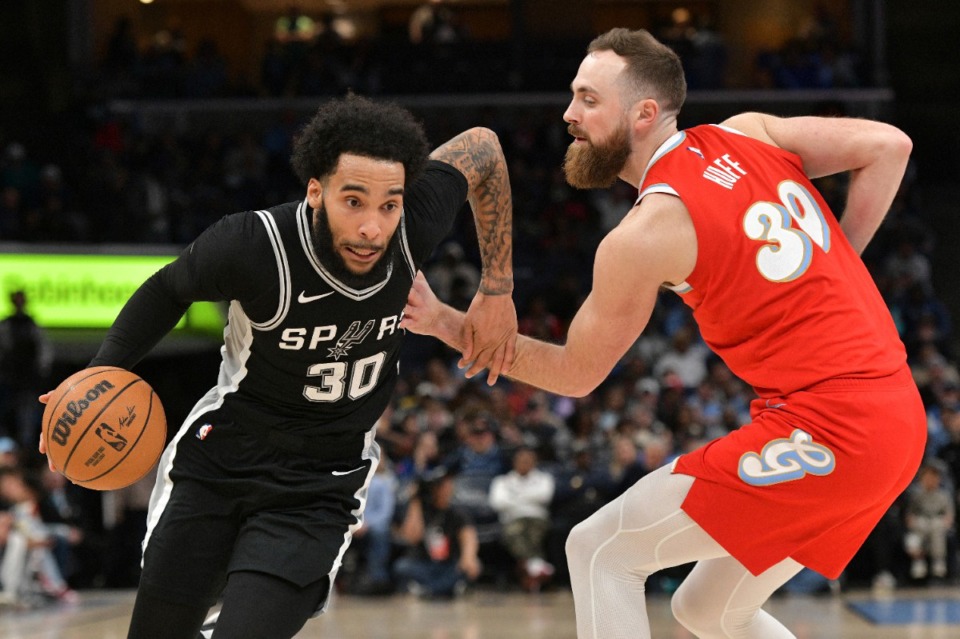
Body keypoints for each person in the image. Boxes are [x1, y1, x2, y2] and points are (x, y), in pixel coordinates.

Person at [401, 27, 924, 639]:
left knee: (600, 551)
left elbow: (576, 373)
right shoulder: (746, 131)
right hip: (894, 420)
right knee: (705, 608)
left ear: (644, 113)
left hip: (836, 429)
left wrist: (444, 323)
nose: (569, 115)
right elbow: (889, 145)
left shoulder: (646, 233)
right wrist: (839, 260)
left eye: (589, 100)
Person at [38, 94, 516, 639]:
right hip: (221, 458)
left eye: (389, 205)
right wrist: (96, 376)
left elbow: (482, 146)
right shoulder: (253, 245)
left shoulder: (412, 228)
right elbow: (167, 289)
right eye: (353, 201)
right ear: (316, 192)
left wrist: (497, 287)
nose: (372, 227)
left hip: (320, 481)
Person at [394, 465, 480, 598]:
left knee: (466, 570)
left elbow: (468, 536)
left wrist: (469, 557)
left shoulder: (458, 512)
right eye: (440, 486)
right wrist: (415, 500)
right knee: (402, 567)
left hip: (449, 564)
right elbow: (412, 537)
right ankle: (445, 589)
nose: (445, 489)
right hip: (425, 563)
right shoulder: (421, 509)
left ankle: (427, 590)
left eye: (447, 485)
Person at [0, 290, 53, 449]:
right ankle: (7, 441)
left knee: (27, 412)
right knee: (6, 410)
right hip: (7, 376)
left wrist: (41, 370)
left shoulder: (31, 324)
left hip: (28, 377)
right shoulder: (6, 324)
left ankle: (26, 445)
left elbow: (44, 351)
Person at [903, 461, 955, 580]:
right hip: (921, 522)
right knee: (918, 528)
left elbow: (949, 513)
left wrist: (947, 520)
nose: (930, 480)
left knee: (937, 527)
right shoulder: (916, 495)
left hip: (937, 522)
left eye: (933, 477)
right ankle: (918, 560)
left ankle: (938, 561)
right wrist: (911, 520)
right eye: (927, 477)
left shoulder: (943, 495)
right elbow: (911, 512)